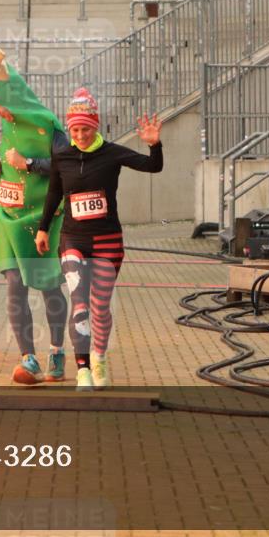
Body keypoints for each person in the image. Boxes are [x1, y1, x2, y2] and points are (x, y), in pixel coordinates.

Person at [35, 91, 163, 390]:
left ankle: (99, 357)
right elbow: (54, 193)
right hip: (72, 239)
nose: (79, 135)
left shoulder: (113, 152)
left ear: (96, 127)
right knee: (79, 304)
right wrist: (43, 229)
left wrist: (154, 144)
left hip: (107, 239)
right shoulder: (62, 156)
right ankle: (81, 369)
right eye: (75, 130)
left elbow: (152, 167)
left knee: (99, 307)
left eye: (86, 129)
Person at [0, 37, 71, 385]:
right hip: (9, 216)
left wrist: (28, 163)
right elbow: (10, 155)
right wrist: (1, 164)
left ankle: (57, 351)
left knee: (47, 286)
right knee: (14, 283)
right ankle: (27, 357)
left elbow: (67, 164)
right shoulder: (9, 126)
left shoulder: (47, 124)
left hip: (42, 221)